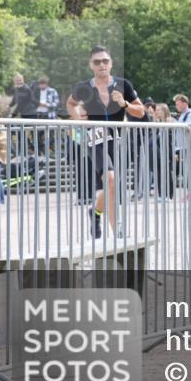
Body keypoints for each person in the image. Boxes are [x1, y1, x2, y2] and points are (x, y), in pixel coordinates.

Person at [67, 46, 145, 239]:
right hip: (96, 140)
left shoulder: (123, 84)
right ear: (90, 65)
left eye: (105, 61)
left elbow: (141, 111)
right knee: (109, 179)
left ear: (111, 63)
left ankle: (95, 212)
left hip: (118, 140)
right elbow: (70, 103)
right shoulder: (83, 87)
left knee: (112, 185)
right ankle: (117, 230)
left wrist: (125, 104)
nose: (101, 65)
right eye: (97, 62)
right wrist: (78, 120)